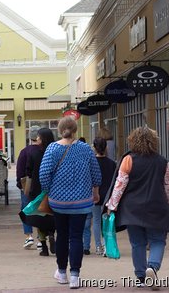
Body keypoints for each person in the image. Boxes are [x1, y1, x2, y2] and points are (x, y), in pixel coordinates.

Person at [105, 126, 169, 290]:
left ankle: (140, 276)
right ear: (154, 142)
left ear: (133, 141)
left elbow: (120, 185)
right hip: (157, 207)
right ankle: (152, 267)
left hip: (132, 209)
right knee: (158, 240)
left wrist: (112, 205)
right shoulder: (162, 161)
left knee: (137, 243)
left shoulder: (128, 160)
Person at [39, 117, 101, 288]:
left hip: (58, 201)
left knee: (62, 236)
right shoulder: (85, 149)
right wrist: (95, 192)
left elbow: (44, 174)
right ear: (75, 130)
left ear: (59, 130)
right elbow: (95, 172)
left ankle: (61, 272)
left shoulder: (52, 148)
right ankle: (75, 275)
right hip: (81, 201)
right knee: (76, 237)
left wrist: (48, 191)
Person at [27, 127, 57, 256]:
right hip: (53, 189)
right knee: (52, 214)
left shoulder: (34, 154)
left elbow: (28, 172)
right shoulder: (55, 152)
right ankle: (51, 233)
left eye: (38, 137)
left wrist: (27, 190)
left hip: (37, 190)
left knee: (39, 217)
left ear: (42, 139)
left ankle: (43, 245)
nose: (36, 139)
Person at [16, 125, 41, 250]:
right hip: (41, 185)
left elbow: (20, 171)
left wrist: (20, 185)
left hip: (27, 185)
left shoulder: (24, 152)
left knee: (26, 210)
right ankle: (41, 238)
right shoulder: (44, 151)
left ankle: (28, 236)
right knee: (41, 211)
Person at [91, 137, 116, 256]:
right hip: (108, 196)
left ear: (94, 147)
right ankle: (107, 245)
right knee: (106, 220)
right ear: (106, 147)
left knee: (96, 221)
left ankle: (98, 246)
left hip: (95, 195)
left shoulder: (91, 163)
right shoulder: (112, 164)